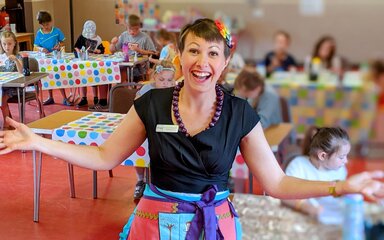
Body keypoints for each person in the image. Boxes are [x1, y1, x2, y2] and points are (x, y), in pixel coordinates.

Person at [0, 18, 383, 240]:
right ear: (180, 56)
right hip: (154, 225)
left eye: (213, 53)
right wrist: (39, 142)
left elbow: (277, 184)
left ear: (225, 62)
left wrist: (343, 185)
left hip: (214, 226)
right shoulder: (151, 104)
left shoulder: (239, 114)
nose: (202, 61)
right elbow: (104, 156)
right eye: (194, 50)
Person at [282, 126, 349, 225]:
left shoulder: (340, 170)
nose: (346, 161)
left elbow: (334, 193)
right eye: (342, 157)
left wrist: (346, 192)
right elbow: (284, 196)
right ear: (322, 156)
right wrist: (307, 207)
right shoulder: (298, 166)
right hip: (301, 221)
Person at [133, 60, 175, 199]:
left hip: (166, 132)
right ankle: (141, 180)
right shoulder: (146, 91)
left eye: (170, 80)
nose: (166, 83)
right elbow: (136, 108)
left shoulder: (175, 92)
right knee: (138, 152)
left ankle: (164, 184)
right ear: (154, 77)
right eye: (161, 79)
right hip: (145, 128)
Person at [34, 11, 71, 106]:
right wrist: (42, 49)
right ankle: (50, 97)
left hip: (56, 58)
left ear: (51, 21)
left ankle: (64, 97)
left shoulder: (56, 31)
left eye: (48, 24)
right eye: (44, 25)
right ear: (40, 24)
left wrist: (58, 45)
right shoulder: (39, 33)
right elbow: (35, 47)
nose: (47, 26)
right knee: (47, 77)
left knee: (57, 76)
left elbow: (62, 42)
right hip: (45, 60)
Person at [110, 14, 157, 83]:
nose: (132, 32)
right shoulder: (124, 35)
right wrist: (112, 43)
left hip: (140, 66)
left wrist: (139, 50)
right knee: (118, 70)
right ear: (126, 27)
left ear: (139, 27)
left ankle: (127, 87)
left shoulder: (145, 37)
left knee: (126, 71)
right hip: (126, 64)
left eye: (136, 29)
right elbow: (112, 51)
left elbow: (153, 52)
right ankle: (122, 88)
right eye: (130, 29)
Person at [74, 20, 106, 109]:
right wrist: (78, 51)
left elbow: (102, 50)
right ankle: (83, 98)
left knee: (94, 78)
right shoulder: (81, 37)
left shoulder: (97, 39)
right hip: (83, 62)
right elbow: (76, 47)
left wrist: (98, 51)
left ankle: (96, 97)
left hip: (94, 64)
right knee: (82, 78)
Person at [0, 31, 22, 129]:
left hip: (15, 87)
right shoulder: (1, 57)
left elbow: (21, 71)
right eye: (4, 44)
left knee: (2, 99)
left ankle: (6, 122)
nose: (7, 47)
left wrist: (16, 61)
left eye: (9, 44)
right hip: (3, 86)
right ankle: (9, 120)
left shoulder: (18, 56)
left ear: (14, 44)